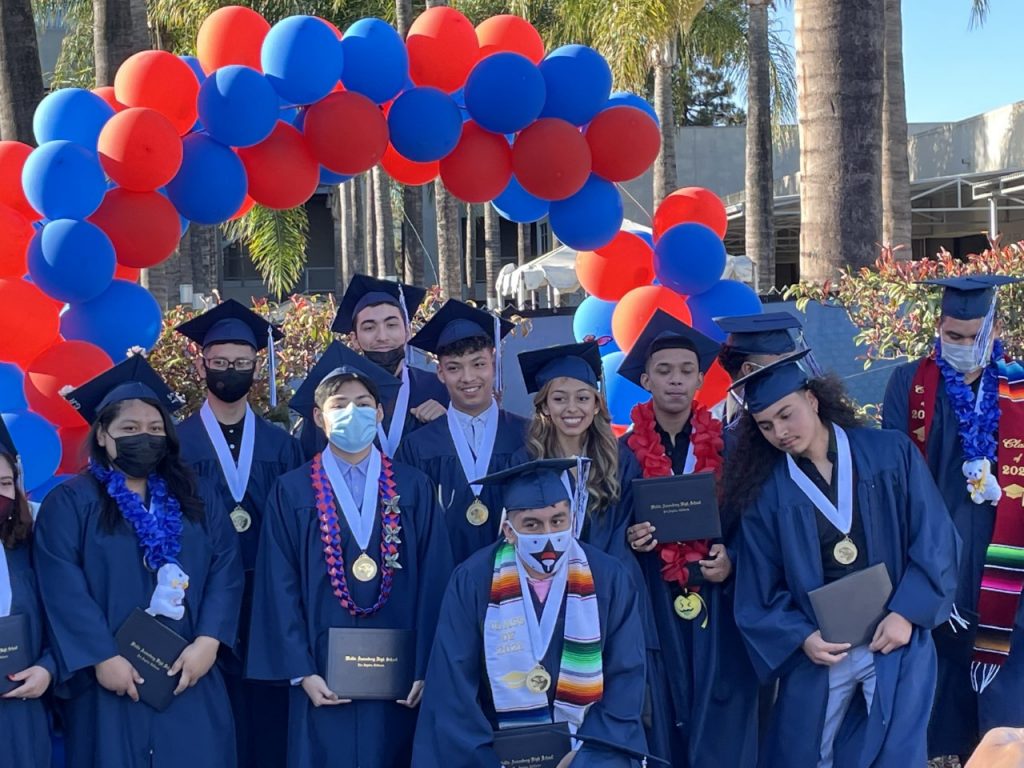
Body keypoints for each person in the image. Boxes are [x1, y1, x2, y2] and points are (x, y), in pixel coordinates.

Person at [729, 351, 960, 767]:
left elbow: (934, 537)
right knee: (801, 752)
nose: (779, 432)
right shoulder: (768, 495)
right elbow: (759, 585)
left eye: (787, 415)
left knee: (896, 753)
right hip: (822, 648)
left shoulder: (889, 453)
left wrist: (907, 614)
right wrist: (801, 636)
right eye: (765, 425)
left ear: (812, 400)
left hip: (891, 637)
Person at [247, 343, 453, 768]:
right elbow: (278, 586)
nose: (353, 413)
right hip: (321, 674)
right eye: (340, 405)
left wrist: (425, 666)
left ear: (380, 413)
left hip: (400, 679)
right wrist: (301, 671)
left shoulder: (413, 488)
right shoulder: (292, 490)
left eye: (363, 403)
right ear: (320, 419)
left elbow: (435, 579)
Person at [34, 354, 244, 768]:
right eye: (128, 429)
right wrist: (101, 658)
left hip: (190, 672)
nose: (143, 438)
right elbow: (63, 586)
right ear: (102, 436)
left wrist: (209, 641)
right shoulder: (72, 503)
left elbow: (226, 569)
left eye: (154, 429)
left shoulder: (197, 498)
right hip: (110, 680)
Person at [413, 458, 650, 767]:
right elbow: (453, 687)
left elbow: (626, 677)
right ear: (509, 530)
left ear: (573, 520)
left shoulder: (609, 577)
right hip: (497, 750)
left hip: (590, 748)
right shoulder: (474, 580)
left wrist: (584, 759)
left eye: (558, 520)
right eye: (532, 525)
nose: (548, 533)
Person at [881, 275, 1024, 760]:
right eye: (953, 336)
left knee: (1008, 703)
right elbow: (896, 477)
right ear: (938, 329)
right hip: (938, 561)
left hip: (1006, 561)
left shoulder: (1018, 389)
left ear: (994, 328)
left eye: (974, 336)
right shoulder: (908, 384)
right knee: (939, 701)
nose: (964, 346)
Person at [512, 341, 671, 760]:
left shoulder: (620, 460)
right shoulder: (522, 461)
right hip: (545, 606)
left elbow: (631, 529)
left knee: (616, 699)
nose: (572, 408)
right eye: (559, 398)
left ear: (597, 404)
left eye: (583, 398)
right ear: (543, 405)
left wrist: (640, 537)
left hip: (612, 603)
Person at [618, 310, 759, 768]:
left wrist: (733, 560)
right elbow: (606, 529)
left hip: (719, 601)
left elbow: (757, 526)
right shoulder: (623, 454)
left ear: (701, 380)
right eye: (663, 371)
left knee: (721, 707)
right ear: (645, 380)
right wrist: (629, 538)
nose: (674, 381)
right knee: (664, 708)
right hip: (654, 602)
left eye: (685, 371)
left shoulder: (730, 445)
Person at [175, 299, 304, 768]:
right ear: (202, 364)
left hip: (269, 597)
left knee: (269, 710)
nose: (231, 371)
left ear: (257, 366)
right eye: (221, 363)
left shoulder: (282, 446)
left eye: (243, 364)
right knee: (212, 708)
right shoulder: (177, 444)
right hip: (202, 599)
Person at [396, 300, 528, 564]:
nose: (468, 378)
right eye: (454, 368)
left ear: (494, 363)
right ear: (440, 373)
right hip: (442, 578)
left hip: (517, 578)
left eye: (478, 364)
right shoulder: (417, 446)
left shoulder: (527, 434)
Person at [297, 274, 449, 459]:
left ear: (408, 332)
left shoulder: (436, 389)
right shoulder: (333, 396)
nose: (382, 336)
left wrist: (446, 423)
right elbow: (314, 460)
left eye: (391, 325)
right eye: (369, 328)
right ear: (354, 339)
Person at [0, 418, 54, 768]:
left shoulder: (33, 548)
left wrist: (48, 670)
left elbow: (61, 620)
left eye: (4, 482)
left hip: (20, 710)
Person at [714, 311, 806, 426]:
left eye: (794, 361)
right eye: (784, 362)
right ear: (749, 369)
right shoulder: (710, 425)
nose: (793, 370)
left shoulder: (808, 408)